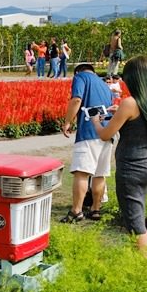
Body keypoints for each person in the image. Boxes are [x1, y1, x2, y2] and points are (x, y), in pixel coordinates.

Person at [91, 56, 147, 252]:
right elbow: (138, 122)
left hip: (131, 169)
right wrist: (120, 112)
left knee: (135, 222)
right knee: (137, 213)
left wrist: (95, 121)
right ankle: (136, 257)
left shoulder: (129, 103)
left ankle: (141, 266)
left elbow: (105, 135)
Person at [60, 63, 114, 223]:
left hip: (88, 132)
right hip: (106, 133)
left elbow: (77, 99)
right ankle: (95, 209)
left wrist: (67, 122)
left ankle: (76, 211)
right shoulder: (105, 85)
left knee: (81, 172)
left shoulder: (80, 77)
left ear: (78, 71)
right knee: (100, 173)